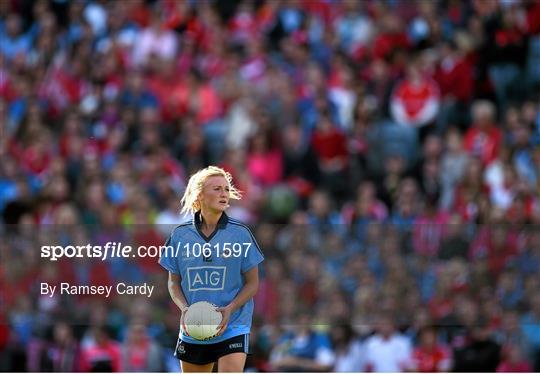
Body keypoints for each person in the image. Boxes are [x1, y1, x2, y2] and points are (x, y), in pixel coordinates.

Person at [159, 166, 264, 372]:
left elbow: (253, 283)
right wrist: (185, 309)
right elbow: (173, 282)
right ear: (199, 195)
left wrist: (230, 309)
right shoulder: (180, 235)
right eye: (216, 189)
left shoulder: (240, 233)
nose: (224, 193)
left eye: (226, 189)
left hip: (233, 323)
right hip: (195, 324)